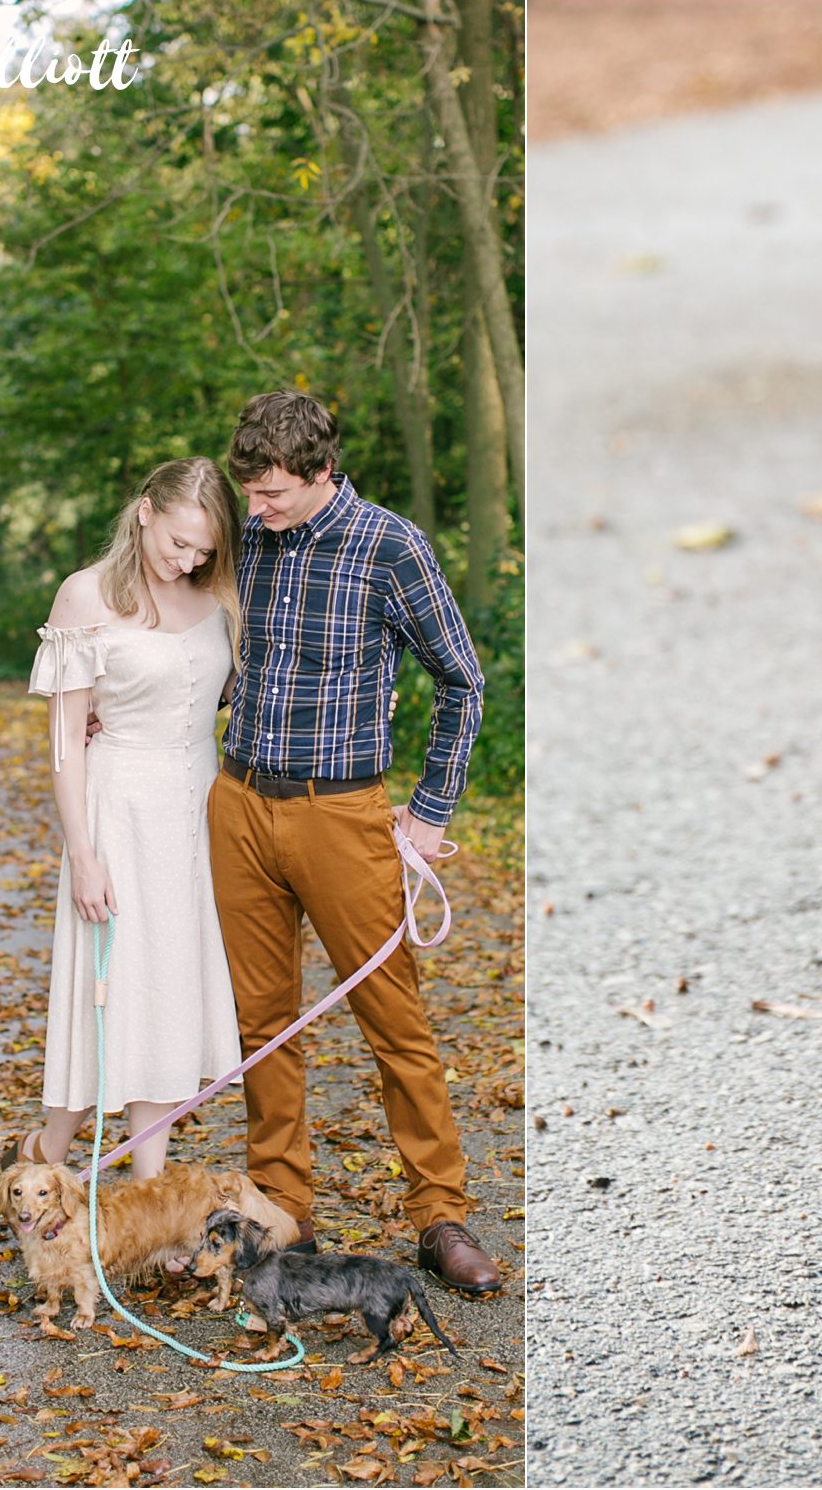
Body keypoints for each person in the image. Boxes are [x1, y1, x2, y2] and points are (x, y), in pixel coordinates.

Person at [209, 389, 502, 1294]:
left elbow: (463, 681)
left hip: (342, 816)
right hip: (240, 806)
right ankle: (281, 1211)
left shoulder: (390, 546)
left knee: (393, 1021)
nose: (255, 511)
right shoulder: (248, 536)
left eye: (272, 495)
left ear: (320, 471)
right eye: (249, 492)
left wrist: (431, 811)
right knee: (263, 1026)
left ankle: (439, 1217)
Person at [13, 458, 244, 1182]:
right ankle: (47, 1152)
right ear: (145, 511)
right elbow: (64, 743)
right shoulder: (85, 597)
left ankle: (150, 1191)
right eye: (179, 542)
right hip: (116, 809)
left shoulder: (223, 595)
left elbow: (229, 695)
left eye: (204, 550)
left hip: (198, 808)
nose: (189, 560)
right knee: (105, 986)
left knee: (167, 988)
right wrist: (82, 852)